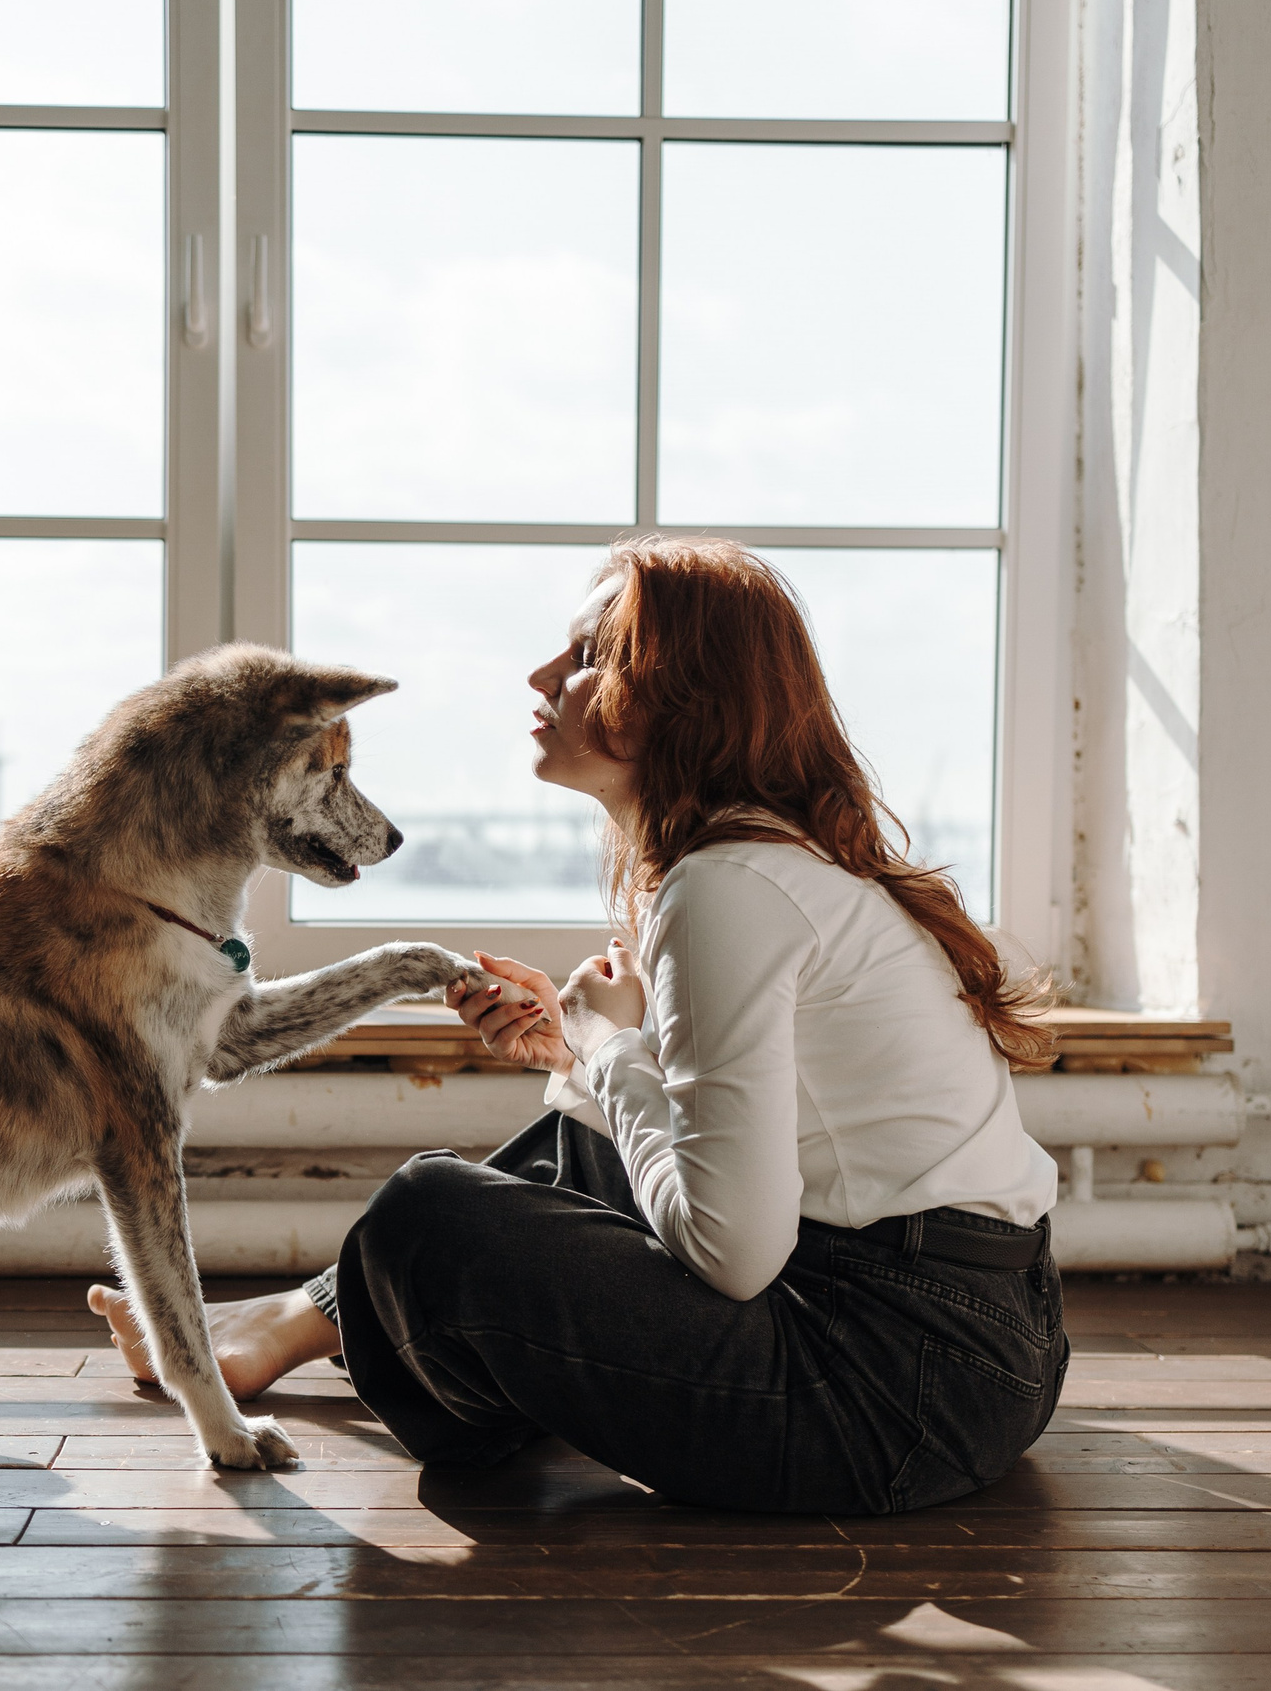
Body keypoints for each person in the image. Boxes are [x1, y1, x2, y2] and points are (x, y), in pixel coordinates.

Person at [90, 535, 1069, 1513]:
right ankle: (291, 1323)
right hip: (983, 1344)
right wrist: (582, 1053)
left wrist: (606, 1047)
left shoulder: (725, 886)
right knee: (579, 1139)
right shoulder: (770, 862)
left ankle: (335, 1335)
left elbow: (732, 1251)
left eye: (589, 655)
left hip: (888, 1387)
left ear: (686, 695)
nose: (543, 675)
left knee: (427, 1213)